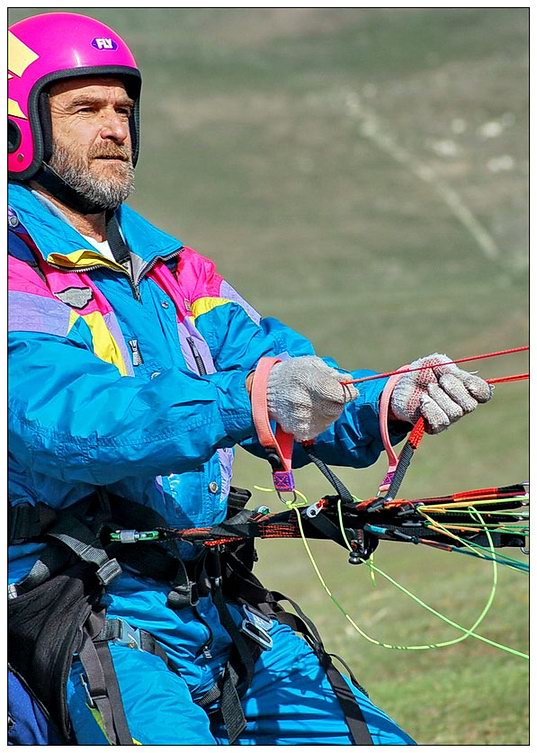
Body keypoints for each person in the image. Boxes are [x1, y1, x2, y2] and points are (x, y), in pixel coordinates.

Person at [8, 11, 493, 746]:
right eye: (84, 109)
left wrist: (385, 400)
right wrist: (247, 401)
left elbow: (273, 366)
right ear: (22, 128)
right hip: (94, 609)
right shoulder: (17, 264)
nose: (113, 128)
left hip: (217, 598)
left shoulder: (174, 268)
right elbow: (60, 414)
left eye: (123, 109)